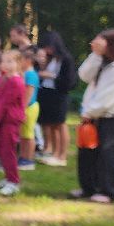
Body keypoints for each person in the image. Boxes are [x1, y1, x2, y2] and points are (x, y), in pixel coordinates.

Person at [73, 28, 114, 203]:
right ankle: (88, 187)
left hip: (110, 116)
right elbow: (84, 75)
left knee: (107, 154)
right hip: (92, 114)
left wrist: (89, 112)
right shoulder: (102, 59)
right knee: (87, 153)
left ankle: (108, 190)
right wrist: (95, 55)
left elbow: (110, 95)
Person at [0, 50, 27, 196]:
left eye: (11, 61)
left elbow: (6, 104)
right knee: (2, 151)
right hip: (1, 120)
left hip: (10, 121)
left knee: (9, 151)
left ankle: (14, 181)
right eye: (4, 61)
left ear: (18, 63)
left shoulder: (16, 81)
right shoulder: (3, 78)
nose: (7, 65)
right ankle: (8, 177)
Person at [36, 30, 76, 166]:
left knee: (60, 124)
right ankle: (54, 153)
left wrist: (51, 76)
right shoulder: (49, 58)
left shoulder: (66, 59)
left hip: (59, 95)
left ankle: (62, 155)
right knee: (51, 125)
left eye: (49, 47)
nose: (47, 50)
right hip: (47, 94)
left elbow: (70, 81)